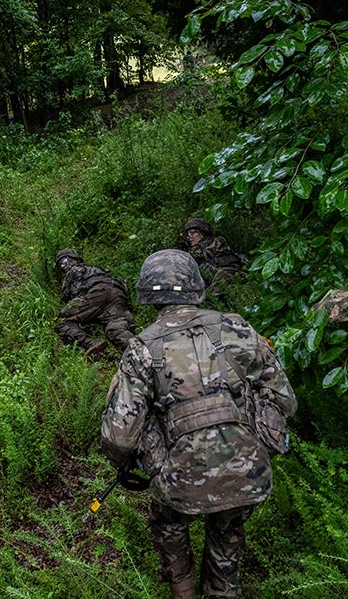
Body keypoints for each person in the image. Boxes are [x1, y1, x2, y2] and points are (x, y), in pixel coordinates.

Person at [100, 250, 297, 599]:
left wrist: (142, 461)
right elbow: (285, 401)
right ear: (195, 286)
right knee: (229, 526)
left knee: (169, 521)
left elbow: (120, 434)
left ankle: (182, 589)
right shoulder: (238, 329)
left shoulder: (143, 348)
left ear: (148, 292)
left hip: (179, 482)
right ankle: (223, 589)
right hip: (246, 473)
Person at [54, 248, 135, 357]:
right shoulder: (97, 269)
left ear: (74, 259)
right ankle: (141, 350)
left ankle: (90, 343)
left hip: (96, 294)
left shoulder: (75, 270)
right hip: (117, 295)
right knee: (115, 329)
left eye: (65, 262)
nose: (64, 266)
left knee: (62, 321)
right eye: (61, 264)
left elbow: (66, 298)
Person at [181, 218, 248, 286]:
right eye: (188, 234)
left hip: (227, 274)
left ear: (202, 233)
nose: (189, 237)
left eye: (192, 233)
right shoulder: (195, 249)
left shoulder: (215, 242)